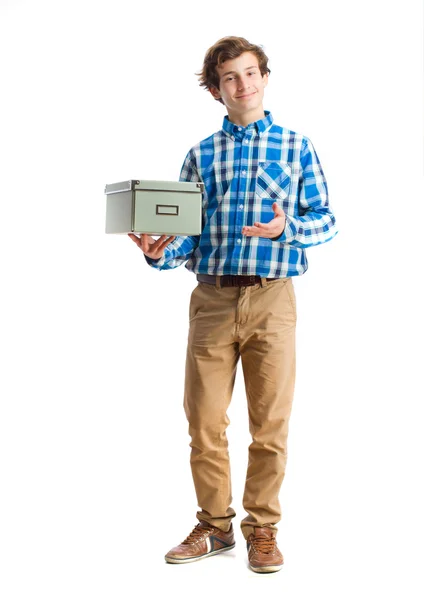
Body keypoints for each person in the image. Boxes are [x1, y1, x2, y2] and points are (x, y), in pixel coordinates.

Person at [129, 35, 338, 574]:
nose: (242, 85)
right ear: (216, 90)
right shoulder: (200, 155)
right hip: (212, 300)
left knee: (270, 423)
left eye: (250, 73)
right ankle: (215, 527)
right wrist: (158, 250)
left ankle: (262, 529)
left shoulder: (297, 146)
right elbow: (187, 237)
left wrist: (285, 227)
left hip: (273, 299)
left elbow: (326, 219)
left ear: (265, 77)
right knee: (203, 421)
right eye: (229, 78)